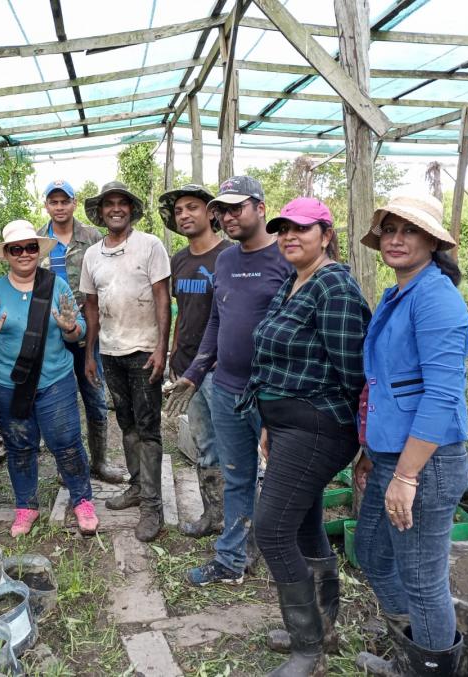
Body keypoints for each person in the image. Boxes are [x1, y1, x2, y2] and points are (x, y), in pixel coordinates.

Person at [233, 198, 371, 676]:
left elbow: (354, 373)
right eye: (284, 229)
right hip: (289, 424)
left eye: (302, 229)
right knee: (302, 524)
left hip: (318, 426)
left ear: (326, 234)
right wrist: (270, 421)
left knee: (270, 529)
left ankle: (307, 647)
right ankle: (323, 627)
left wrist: (367, 446)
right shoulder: (295, 281)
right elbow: (275, 361)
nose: (290, 236)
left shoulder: (334, 287)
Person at [354, 194, 468, 676]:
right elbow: (385, 382)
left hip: (425, 461)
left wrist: (407, 475)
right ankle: (417, 647)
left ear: (432, 242)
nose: (396, 239)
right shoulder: (396, 293)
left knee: (424, 580)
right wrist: (368, 450)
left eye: (409, 230)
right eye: (389, 229)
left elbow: (441, 397)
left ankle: (430, 666)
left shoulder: (437, 297)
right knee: (373, 554)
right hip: (389, 456)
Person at [166, 176, 291, 583]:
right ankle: (232, 559)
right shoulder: (226, 261)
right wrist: (194, 372)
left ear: (260, 206)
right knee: (236, 473)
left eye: (238, 207)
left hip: (275, 392)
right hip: (227, 388)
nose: (229, 215)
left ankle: (287, 558)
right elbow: (216, 322)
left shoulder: (287, 258)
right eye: (223, 208)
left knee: (281, 479)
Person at [0, 220, 99, 538]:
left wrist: (71, 327)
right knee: (19, 446)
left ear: (38, 250)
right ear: (7, 254)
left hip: (54, 380)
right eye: (17, 249)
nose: (25, 253)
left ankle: (82, 500)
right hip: (6, 383)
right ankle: (26, 506)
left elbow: (78, 329)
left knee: (67, 443)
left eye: (31, 247)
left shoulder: (56, 286)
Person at [80, 181, 171, 542]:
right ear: (100, 213)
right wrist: (90, 353)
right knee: (127, 422)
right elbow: (90, 306)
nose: (115, 209)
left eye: (122, 204)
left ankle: (153, 506)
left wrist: (161, 348)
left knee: (148, 428)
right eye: (108, 205)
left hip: (144, 350)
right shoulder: (93, 255)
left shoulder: (149, 245)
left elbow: (162, 298)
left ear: (131, 210)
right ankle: (137, 486)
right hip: (110, 351)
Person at [157, 184, 232, 537]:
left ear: (211, 213)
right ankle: (212, 516)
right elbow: (181, 312)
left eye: (192, 207)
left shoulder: (230, 256)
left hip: (221, 369)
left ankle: (238, 522)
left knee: (232, 445)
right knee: (204, 444)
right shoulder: (179, 260)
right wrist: (174, 353)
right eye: (179, 211)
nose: (185, 215)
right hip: (188, 367)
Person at [37, 180, 123, 484]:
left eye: (65, 201)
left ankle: (99, 462)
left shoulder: (92, 237)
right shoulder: (36, 240)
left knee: (95, 397)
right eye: (54, 202)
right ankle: (68, 465)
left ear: (74, 203)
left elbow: (108, 278)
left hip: (88, 328)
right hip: (48, 334)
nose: (59, 207)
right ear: (46, 205)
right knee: (59, 400)